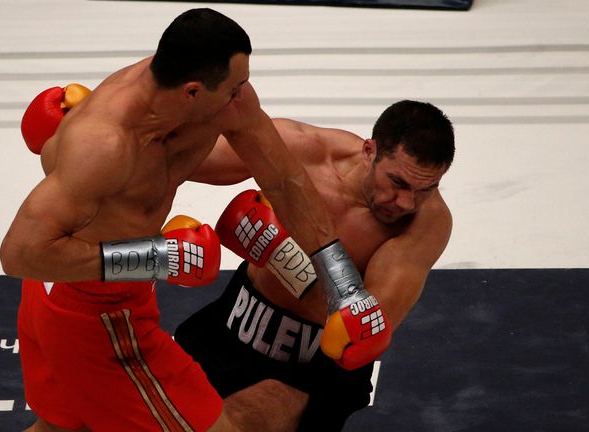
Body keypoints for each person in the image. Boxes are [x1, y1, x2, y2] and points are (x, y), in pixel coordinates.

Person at [0, 8, 352, 432]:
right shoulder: (106, 142)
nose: (244, 94)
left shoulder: (219, 101)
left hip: (89, 302)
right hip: (93, 318)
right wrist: (155, 258)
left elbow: (284, 177)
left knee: (62, 427)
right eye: (234, 87)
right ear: (192, 92)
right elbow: (20, 254)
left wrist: (343, 284)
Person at [176, 100, 455, 431]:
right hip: (234, 323)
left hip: (312, 369)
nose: (407, 203)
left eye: (427, 188)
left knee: (231, 425)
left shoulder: (426, 224)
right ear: (370, 151)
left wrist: (285, 260)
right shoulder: (300, 149)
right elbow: (178, 162)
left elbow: (364, 334)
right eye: (398, 183)